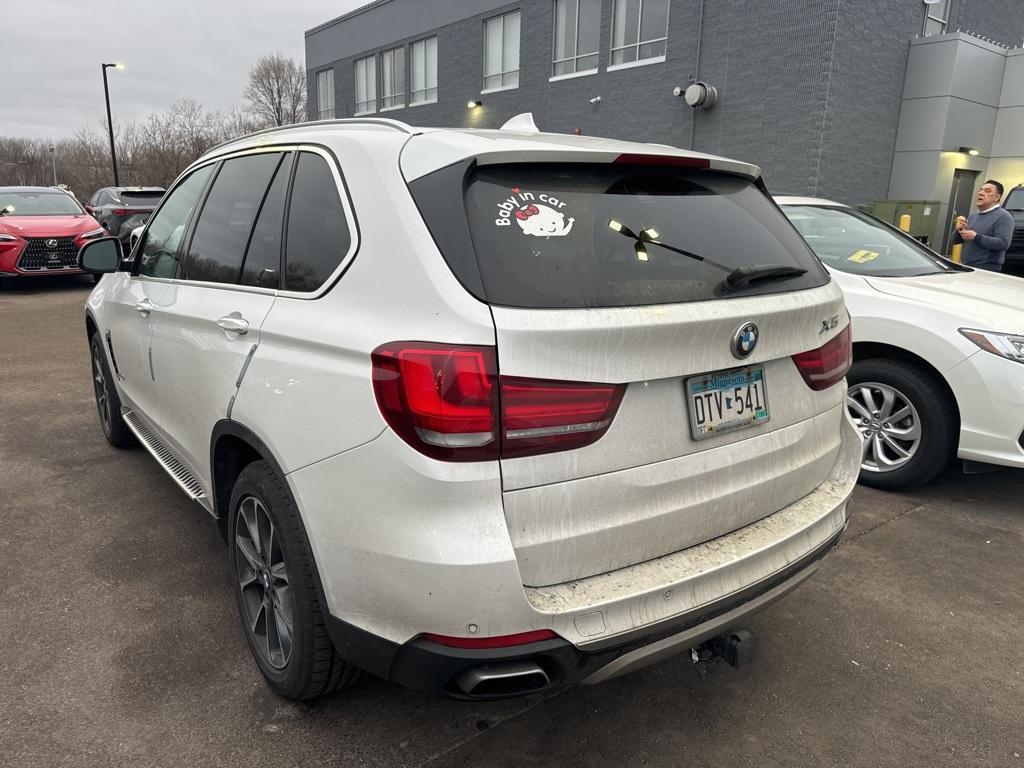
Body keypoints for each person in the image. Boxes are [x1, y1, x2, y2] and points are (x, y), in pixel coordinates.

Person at [953, 179, 1015, 271]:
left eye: (987, 191)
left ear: (997, 197)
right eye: (981, 190)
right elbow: (955, 241)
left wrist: (976, 237)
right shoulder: (973, 215)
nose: (981, 193)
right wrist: (958, 231)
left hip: (987, 269)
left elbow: (1003, 243)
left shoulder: (1004, 217)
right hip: (967, 266)